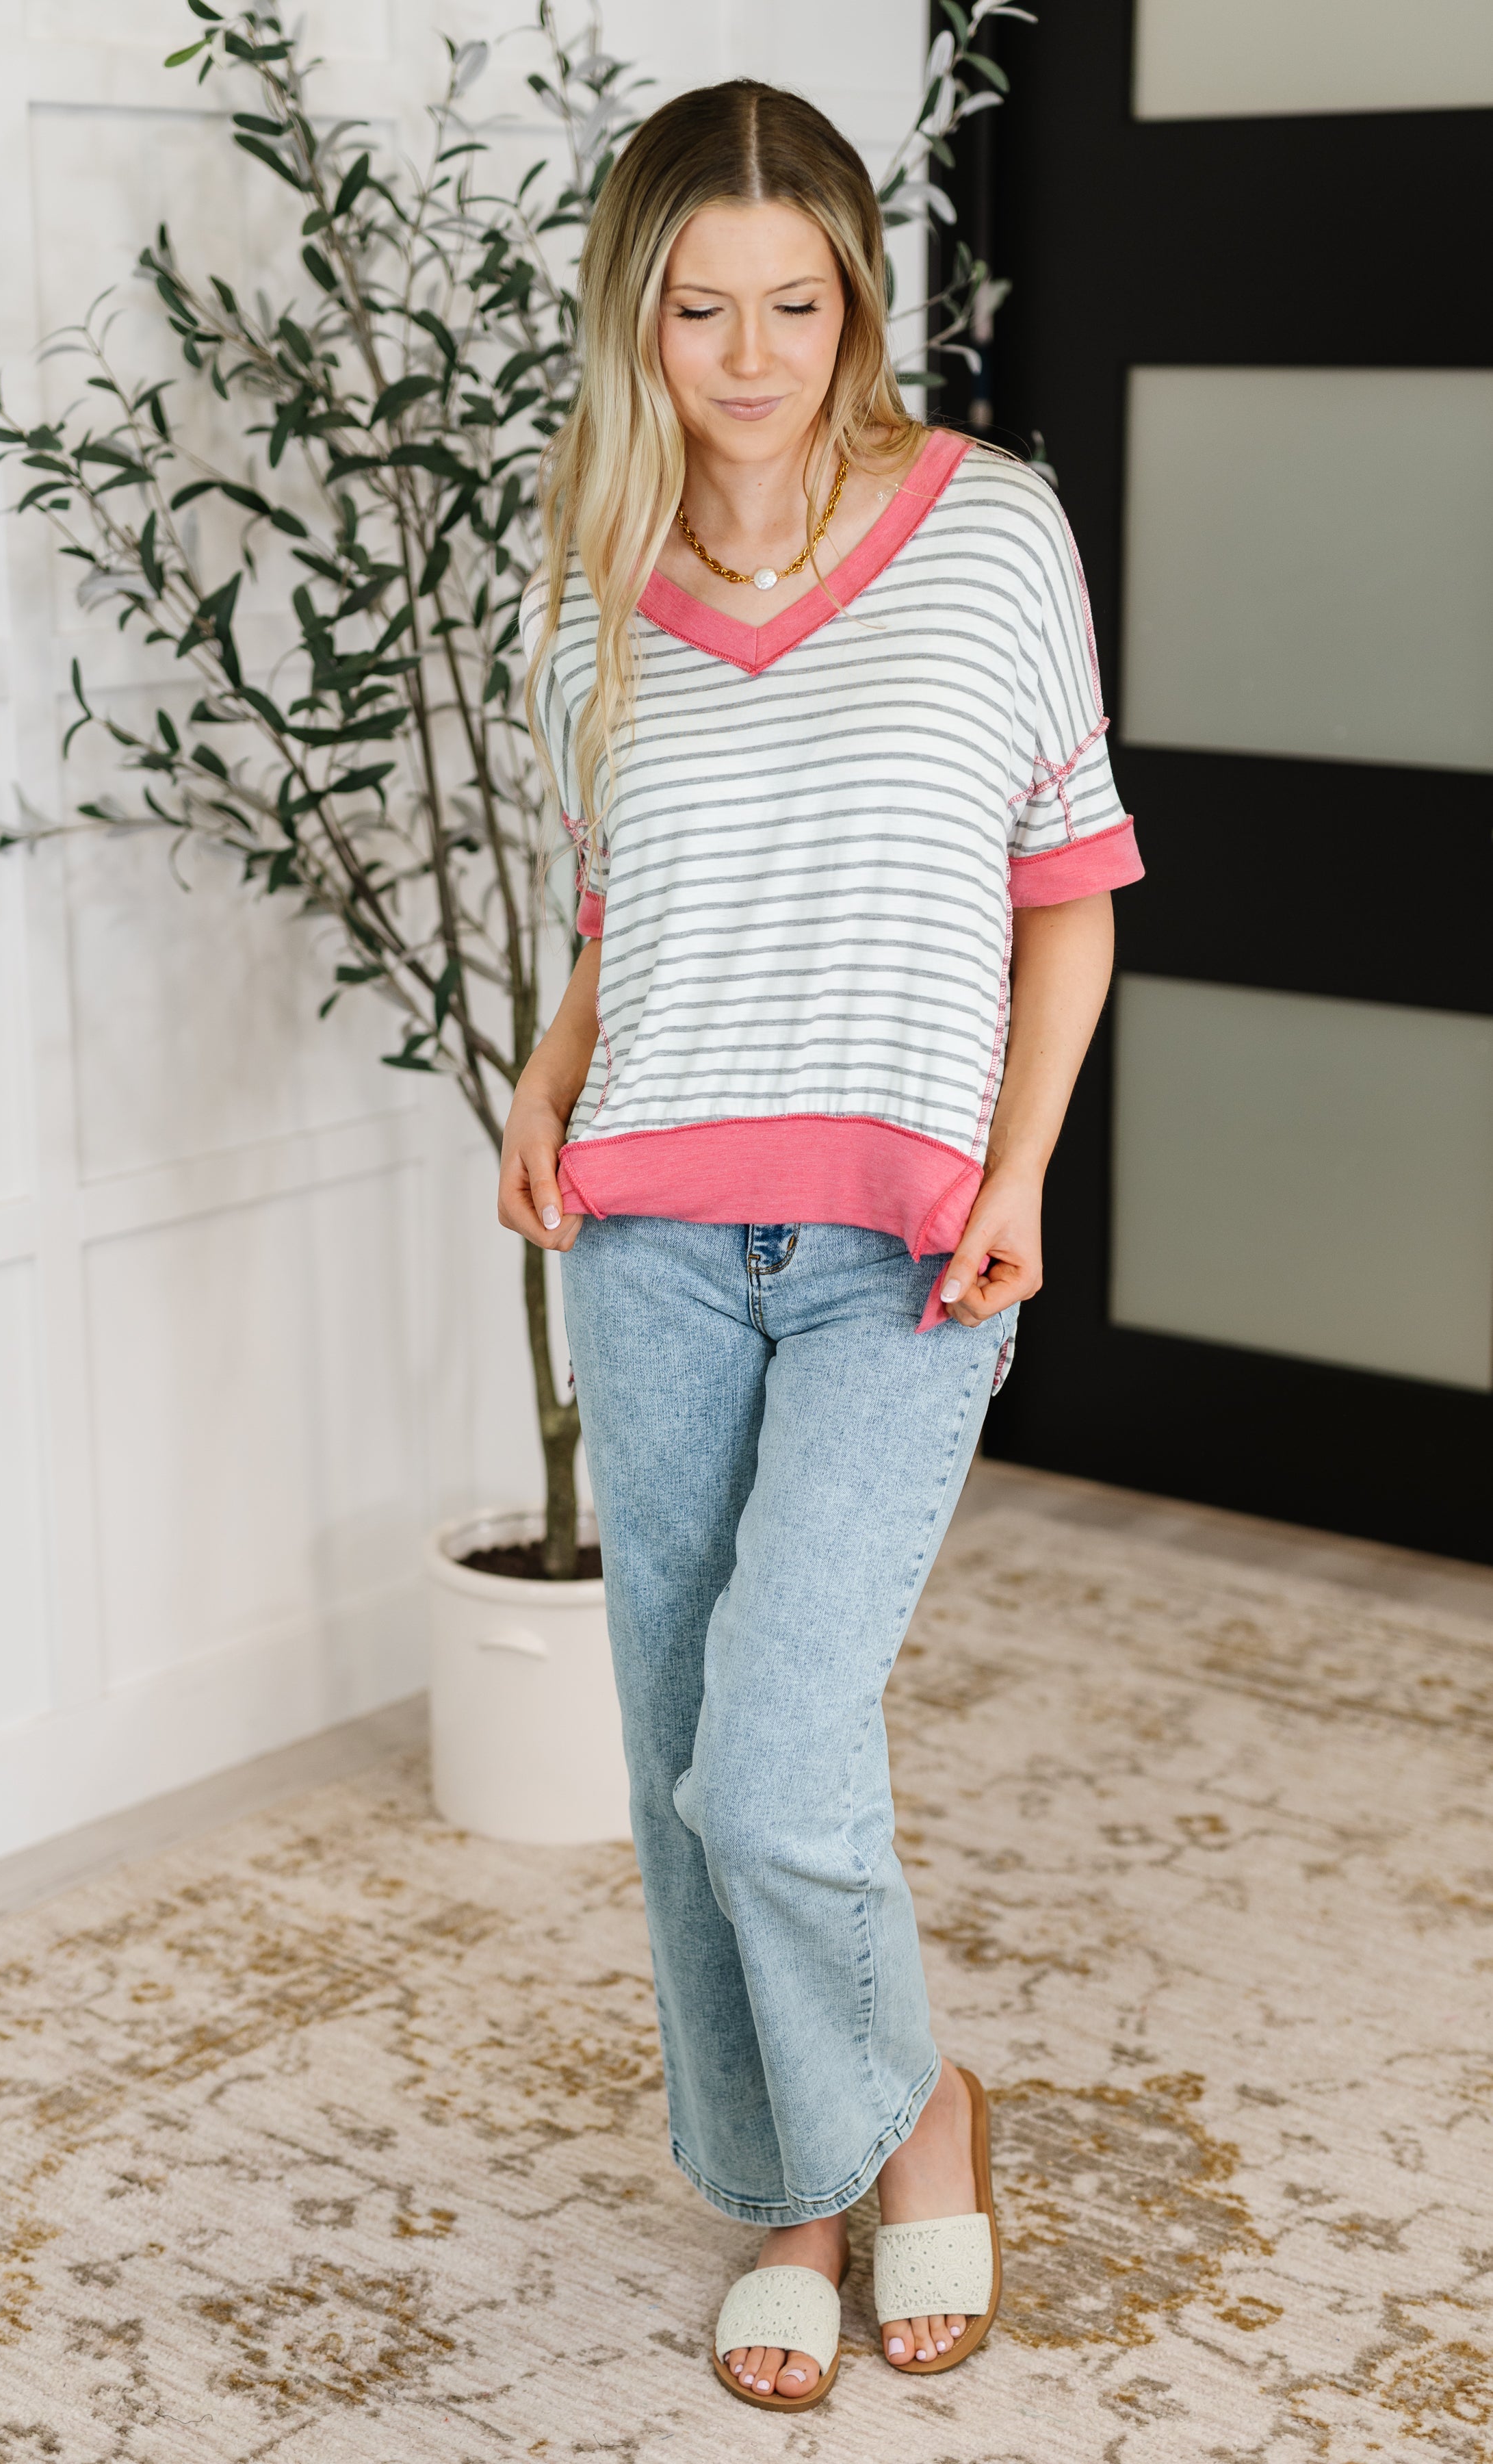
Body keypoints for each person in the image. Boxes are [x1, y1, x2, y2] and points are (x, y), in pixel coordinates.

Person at [499, 78, 1142, 2413]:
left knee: (775, 1750)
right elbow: (621, 907)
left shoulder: (987, 535)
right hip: (649, 1231)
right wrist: (547, 1076)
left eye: (796, 301)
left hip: (898, 1246)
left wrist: (1021, 1168)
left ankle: (909, 2114)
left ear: (853, 295)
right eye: (699, 308)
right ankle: (782, 2186)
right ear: (632, 317)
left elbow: (1061, 887)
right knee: (677, 1727)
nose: (751, 354)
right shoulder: (583, 574)